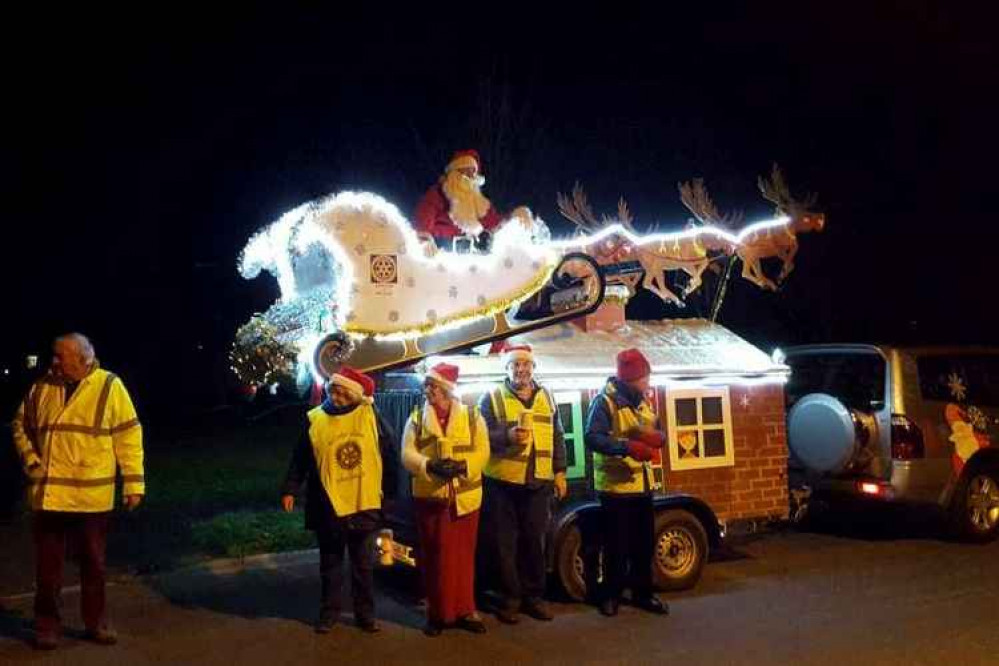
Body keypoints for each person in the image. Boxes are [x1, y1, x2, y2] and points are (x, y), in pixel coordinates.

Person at [11, 333, 144, 650]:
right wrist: (31, 461)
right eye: (53, 356)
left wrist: (134, 484)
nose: (53, 362)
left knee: (94, 566)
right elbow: (19, 426)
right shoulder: (41, 387)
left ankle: (96, 622)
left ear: (84, 359)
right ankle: (47, 626)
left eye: (61, 357)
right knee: (48, 569)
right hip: (50, 497)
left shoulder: (110, 386)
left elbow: (128, 436)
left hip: (91, 498)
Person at [280, 366, 398, 634]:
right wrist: (290, 488)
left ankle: (365, 615)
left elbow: (388, 455)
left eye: (342, 391)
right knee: (330, 563)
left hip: (363, 502)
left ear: (353, 393)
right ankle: (328, 613)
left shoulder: (370, 416)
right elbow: (301, 457)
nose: (336, 396)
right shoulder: (316, 420)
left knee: (363, 565)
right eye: (333, 390)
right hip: (328, 504)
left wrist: (389, 494)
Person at [478, 344, 567, 624]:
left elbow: (557, 436)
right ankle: (511, 599)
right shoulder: (491, 397)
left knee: (534, 542)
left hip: (538, 482)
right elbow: (480, 435)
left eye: (526, 365)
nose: (521, 370)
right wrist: (507, 436)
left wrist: (560, 472)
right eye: (515, 365)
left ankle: (534, 598)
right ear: (507, 368)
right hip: (503, 483)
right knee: (505, 545)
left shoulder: (547, 396)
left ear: (533, 368)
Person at [402, 362, 489, 636]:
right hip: (431, 498)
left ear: (446, 389)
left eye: (433, 386)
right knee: (433, 556)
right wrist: (429, 466)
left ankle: (466, 610)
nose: (427, 391)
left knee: (464, 556)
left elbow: (483, 450)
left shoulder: (473, 416)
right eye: (427, 386)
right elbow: (406, 454)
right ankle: (437, 614)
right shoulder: (416, 418)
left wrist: (463, 466)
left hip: (464, 498)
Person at [584, 348, 669, 618]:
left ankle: (643, 593)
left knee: (643, 544)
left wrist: (659, 438)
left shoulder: (644, 402)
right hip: (615, 488)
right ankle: (611, 595)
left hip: (642, 486)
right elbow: (592, 437)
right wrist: (627, 447)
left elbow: (658, 430)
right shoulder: (605, 402)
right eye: (645, 377)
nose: (649, 382)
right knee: (615, 546)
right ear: (632, 379)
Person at [413, 149, 531, 252]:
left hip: (470, 258)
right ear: (453, 173)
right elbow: (423, 218)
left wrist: (515, 218)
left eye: (472, 173)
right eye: (464, 172)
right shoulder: (439, 194)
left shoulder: (479, 202)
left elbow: (495, 223)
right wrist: (424, 239)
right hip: (440, 253)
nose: (468, 177)